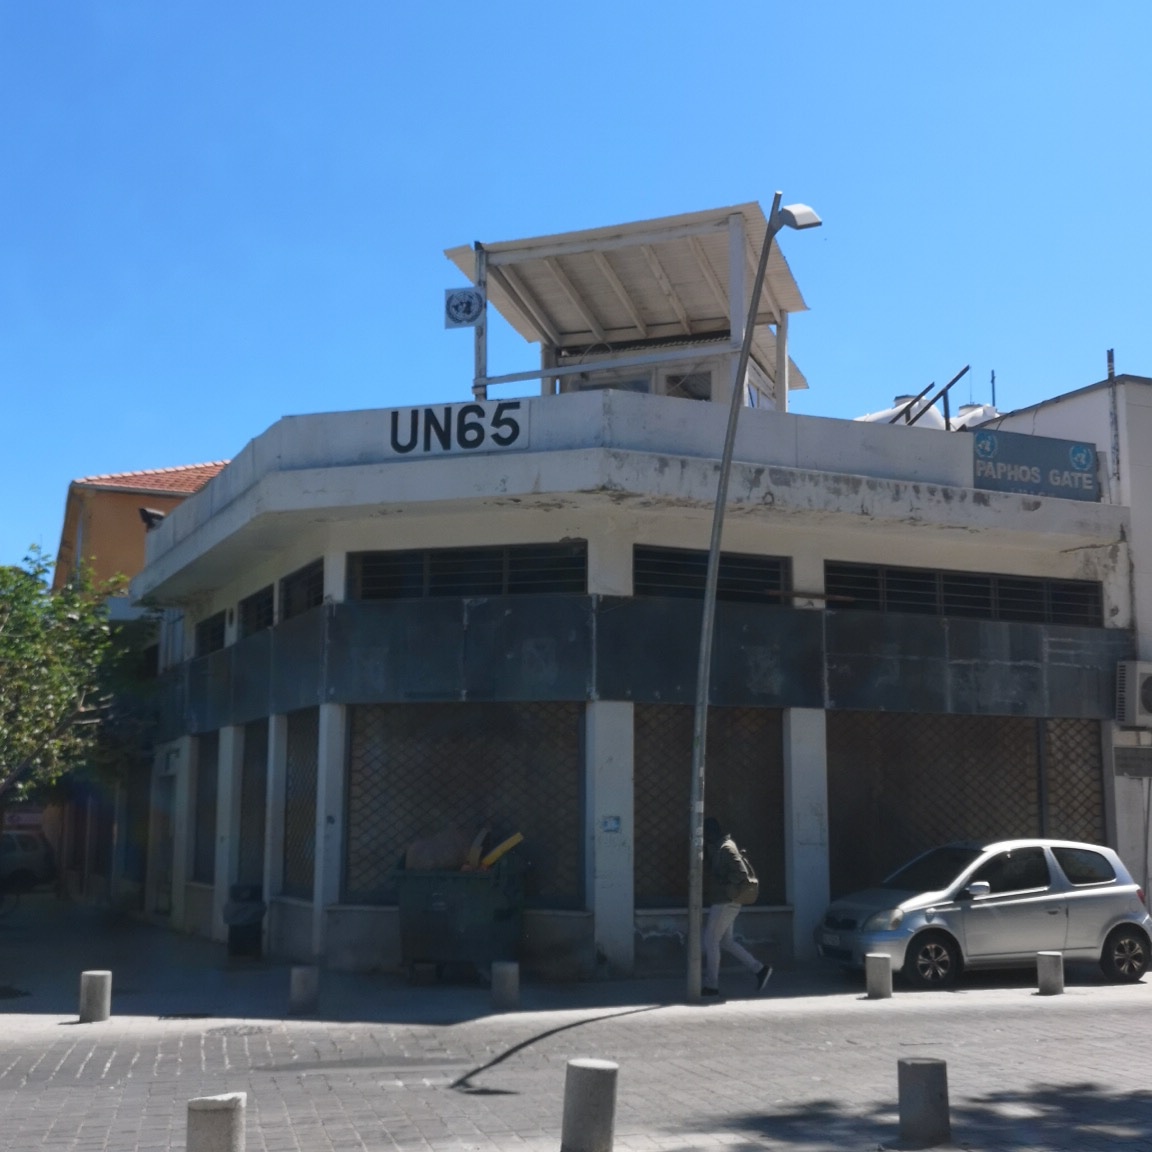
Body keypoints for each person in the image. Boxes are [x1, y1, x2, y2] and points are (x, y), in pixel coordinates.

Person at [702, 816, 772, 997]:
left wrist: (725, 885)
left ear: (711, 833)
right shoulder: (721, 847)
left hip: (725, 902)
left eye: (705, 834)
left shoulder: (726, 848)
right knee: (726, 941)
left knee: (710, 941)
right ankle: (760, 970)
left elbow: (741, 873)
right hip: (727, 902)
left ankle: (711, 985)